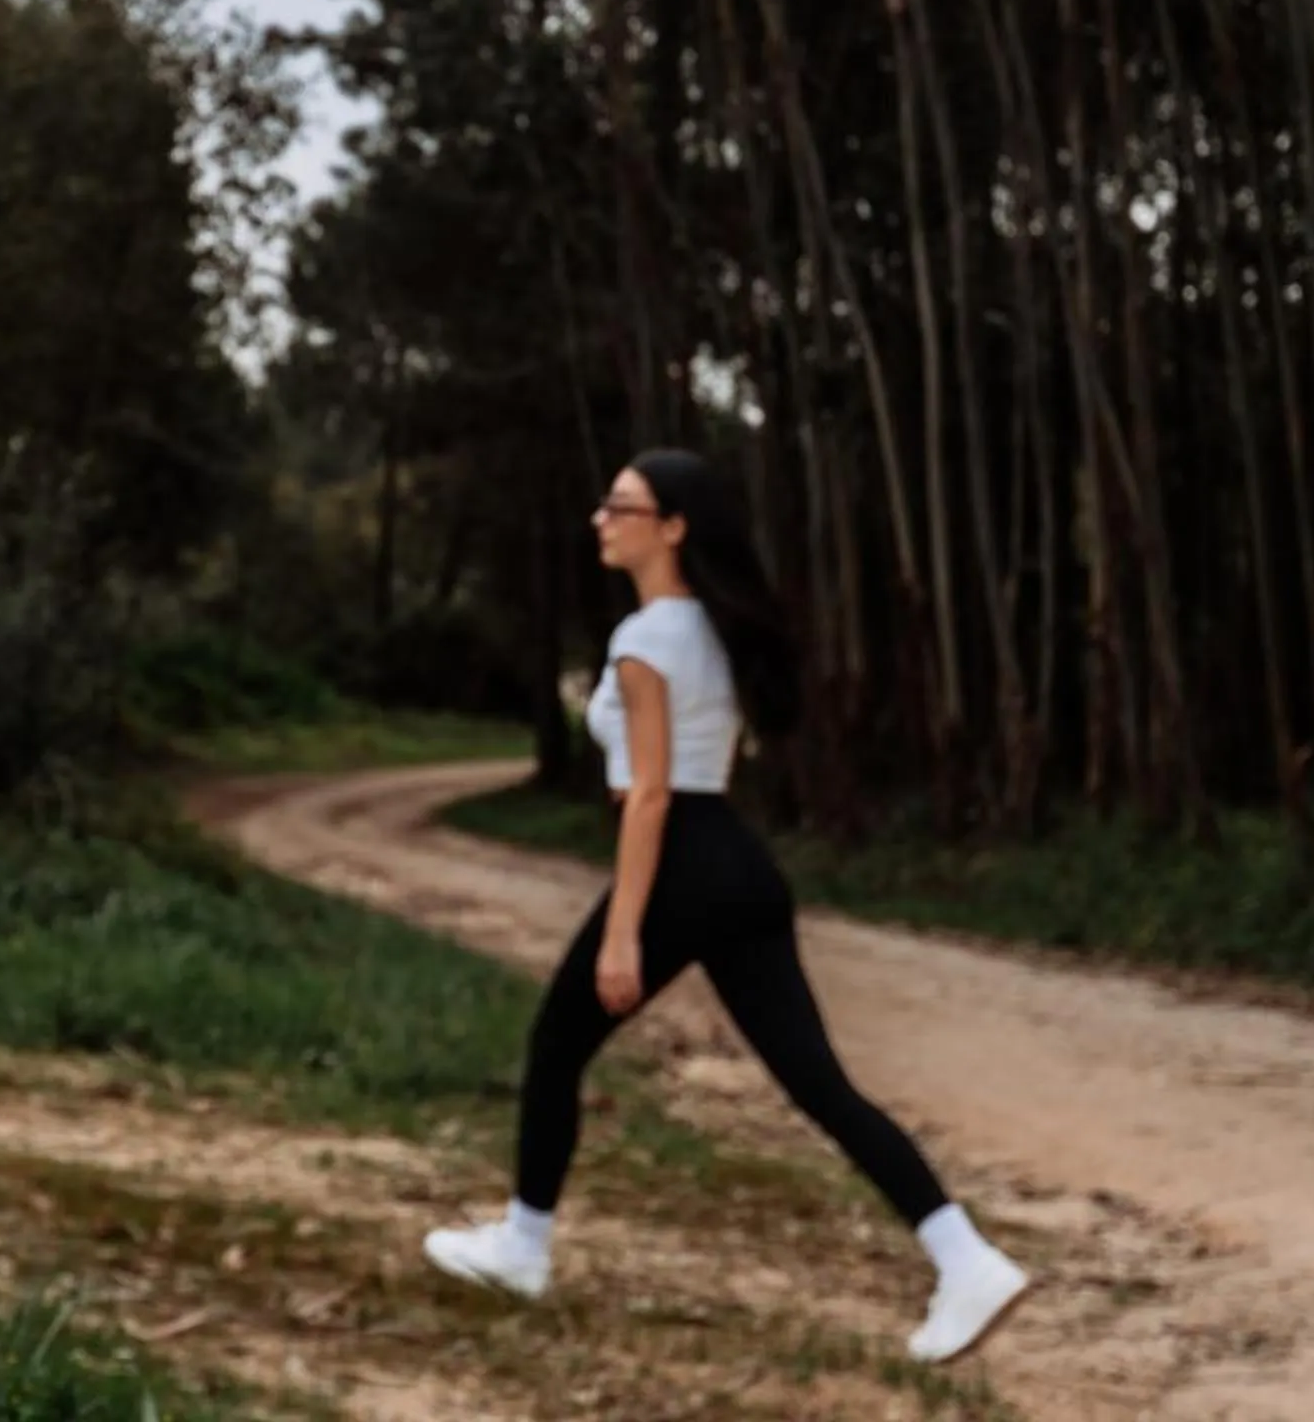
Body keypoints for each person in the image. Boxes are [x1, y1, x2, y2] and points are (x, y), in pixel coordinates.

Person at [423, 448, 1029, 1366]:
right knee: (820, 1085)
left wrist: (624, 931)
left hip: (685, 863)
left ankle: (522, 1246)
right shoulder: (709, 629)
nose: (600, 518)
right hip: (741, 866)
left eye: (620, 506)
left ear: (671, 530)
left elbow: (652, 797)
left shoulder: (641, 643)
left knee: (555, 1043)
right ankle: (965, 1257)